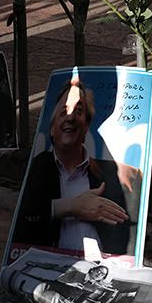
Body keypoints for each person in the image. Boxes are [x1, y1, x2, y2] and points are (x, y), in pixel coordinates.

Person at [15, 79, 138, 257]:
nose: (70, 117)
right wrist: (72, 206)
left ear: (87, 125)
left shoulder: (112, 173)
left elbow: (129, 230)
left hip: (103, 271)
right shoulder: (38, 166)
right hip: (48, 267)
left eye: (78, 111)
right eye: (64, 112)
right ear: (51, 128)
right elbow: (24, 216)